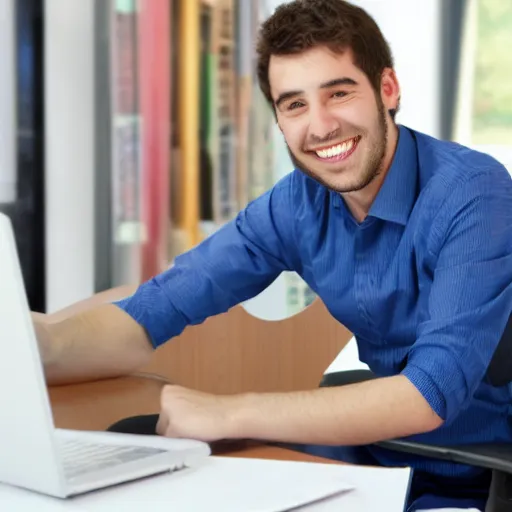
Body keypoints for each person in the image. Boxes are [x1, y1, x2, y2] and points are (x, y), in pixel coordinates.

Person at [34, 1, 512, 510]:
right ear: (280, 120)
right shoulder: (298, 203)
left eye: (339, 92)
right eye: (294, 104)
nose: (321, 125)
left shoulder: (473, 193)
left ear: (387, 89)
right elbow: (158, 308)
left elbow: (429, 394)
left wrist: (230, 412)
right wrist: (40, 345)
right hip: (370, 458)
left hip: (474, 475)